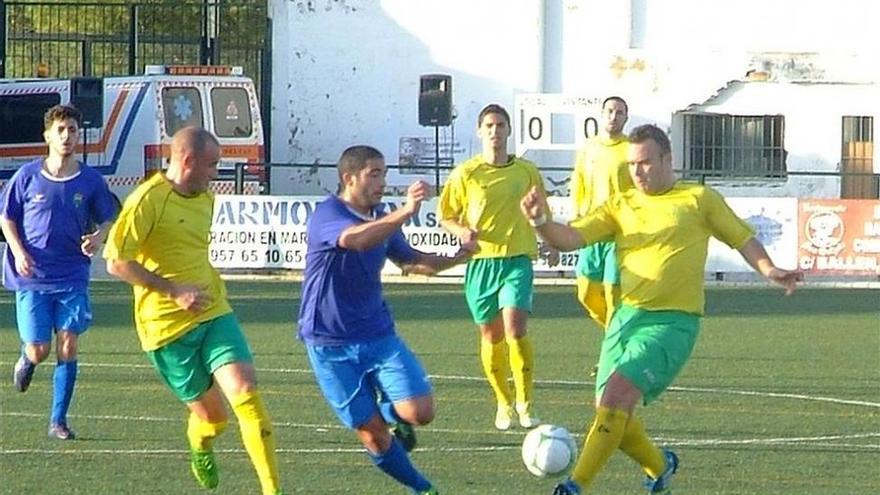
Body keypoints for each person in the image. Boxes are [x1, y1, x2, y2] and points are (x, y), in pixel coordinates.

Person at [520, 124, 801, 495]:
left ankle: (575, 487)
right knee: (612, 414)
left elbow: (741, 238)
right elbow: (570, 237)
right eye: (632, 164)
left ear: (668, 159)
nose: (637, 172)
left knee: (615, 400)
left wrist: (769, 270)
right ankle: (659, 466)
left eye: (646, 163)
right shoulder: (621, 204)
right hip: (625, 319)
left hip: (673, 322)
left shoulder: (699, 199)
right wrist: (540, 222)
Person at [103, 127, 285, 495]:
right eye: (212, 165)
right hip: (166, 330)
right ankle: (200, 443)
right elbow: (116, 262)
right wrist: (173, 291)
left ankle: (273, 490)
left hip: (213, 311)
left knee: (247, 395)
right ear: (187, 160)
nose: (215, 174)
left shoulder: (206, 198)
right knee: (215, 420)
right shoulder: (147, 200)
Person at [297, 145, 474, 494]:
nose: (382, 182)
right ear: (349, 178)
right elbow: (356, 240)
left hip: (377, 334)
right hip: (328, 342)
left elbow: (411, 262)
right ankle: (423, 489)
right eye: (374, 174)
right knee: (374, 437)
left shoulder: (383, 217)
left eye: (384, 174)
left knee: (421, 412)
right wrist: (405, 212)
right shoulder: (327, 214)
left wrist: (458, 256)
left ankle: (391, 412)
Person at [1, 104, 117, 440]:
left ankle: (58, 421)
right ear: (48, 136)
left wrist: (98, 236)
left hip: (72, 275)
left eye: (73, 130)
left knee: (68, 344)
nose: (67, 136)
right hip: (33, 275)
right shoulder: (27, 176)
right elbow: (6, 217)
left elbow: (108, 217)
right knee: (40, 349)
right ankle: (27, 359)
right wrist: (19, 251)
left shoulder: (90, 181)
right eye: (61, 130)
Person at [437, 103, 554, 431]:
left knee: (516, 330)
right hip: (481, 264)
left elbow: (541, 209)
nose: (495, 131)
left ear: (508, 131)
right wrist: (461, 231)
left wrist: (550, 241)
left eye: (500, 125)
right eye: (489, 125)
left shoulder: (527, 171)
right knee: (491, 335)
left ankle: (525, 402)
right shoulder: (466, 174)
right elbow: (445, 214)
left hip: (517, 260)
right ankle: (503, 403)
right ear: (479, 131)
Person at [569, 97, 632, 334]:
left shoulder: (630, 149)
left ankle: (615, 353)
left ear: (626, 117)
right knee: (585, 294)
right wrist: (575, 219)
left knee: (613, 295)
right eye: (610, 111)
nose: (613, 116)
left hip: (619, 233)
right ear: (601, 114)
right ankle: (619, 336)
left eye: (619, 112)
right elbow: (579, 184)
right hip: (591, 232)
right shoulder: (589, 148)